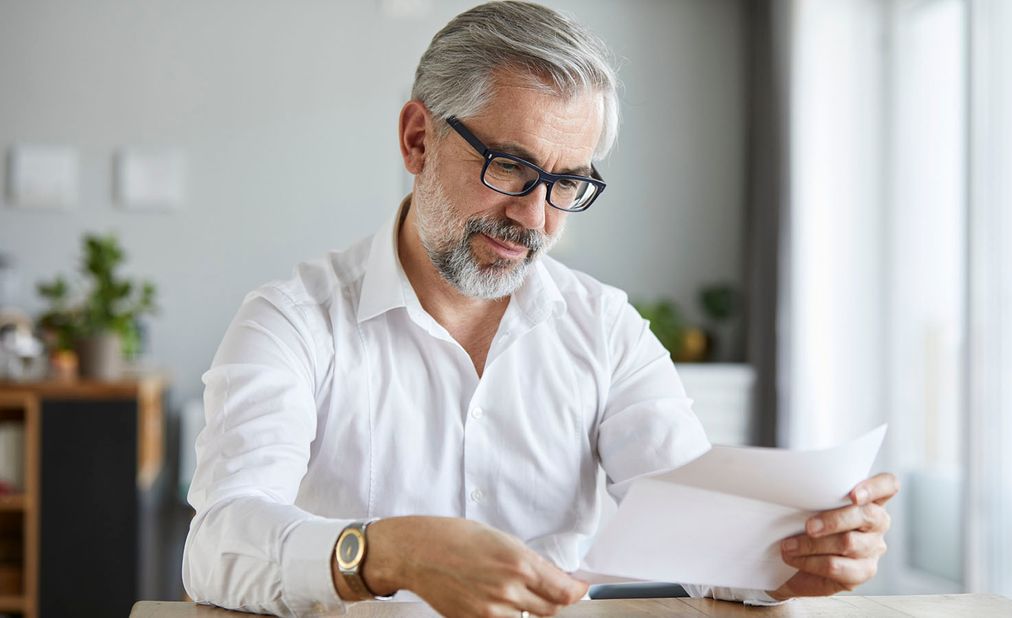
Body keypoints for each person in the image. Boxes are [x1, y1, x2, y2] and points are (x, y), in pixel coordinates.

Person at [182, 2, 898, 616]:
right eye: (512, 168)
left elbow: (698, 532)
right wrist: (381, 553)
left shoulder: (605, 329)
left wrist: (793, 558)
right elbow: (217, 543)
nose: (533, 215)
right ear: (417, 139)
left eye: (566, 184)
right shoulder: (292, 321)